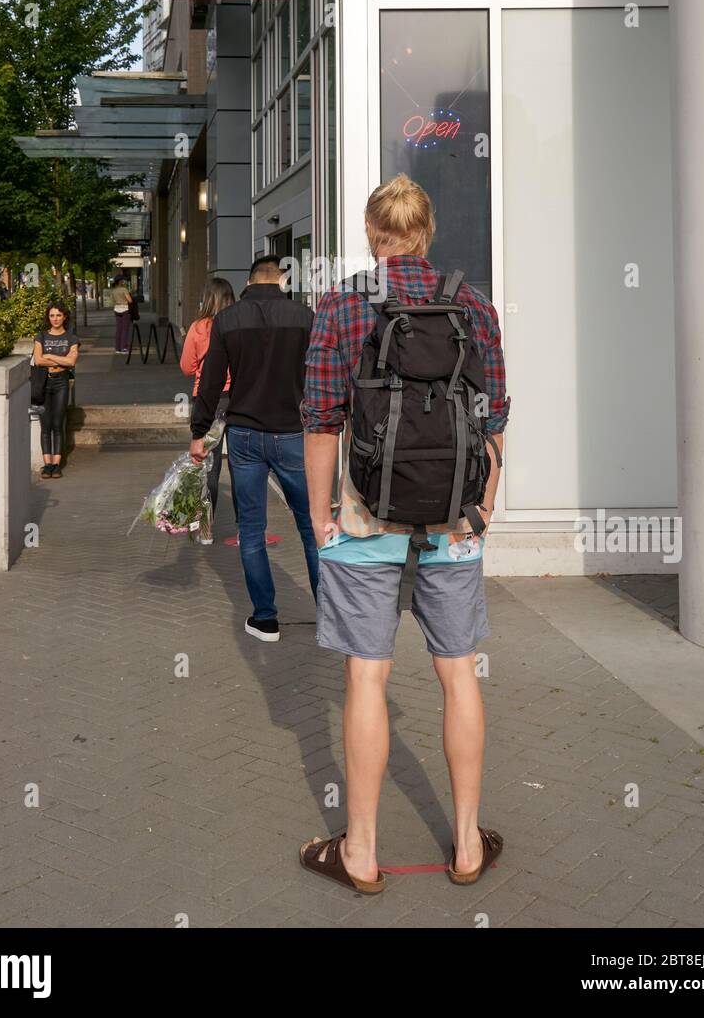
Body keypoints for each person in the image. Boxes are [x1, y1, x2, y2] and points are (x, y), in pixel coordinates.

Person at [299, 174, 510, 895]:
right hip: (453, 523)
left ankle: (360, 851)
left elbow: (322, 419)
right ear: (426, 231)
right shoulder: (472, 305)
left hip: (365, 521)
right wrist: (480, 508)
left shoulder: (344, 304)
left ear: (372, 232)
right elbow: (496, 419)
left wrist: (323, 517)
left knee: (367, 675)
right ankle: (466, 845)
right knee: (458, 673)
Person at [190, 255, 319, 642]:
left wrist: (200, 432)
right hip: (293, 432)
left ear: (248, 282)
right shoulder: (305, 316)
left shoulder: (228, 320)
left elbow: (210, 381)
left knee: (251, 529)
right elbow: (319, 373)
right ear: (280, 280)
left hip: (244, 433)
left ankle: (265, 618)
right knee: (312, 527)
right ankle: (330, 615)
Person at [180, 276, 236, 539]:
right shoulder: (237, 325)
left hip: (207, 400)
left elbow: (186, 367)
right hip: (236, 399)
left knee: (208, 466)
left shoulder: (198, 327)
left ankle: (205, 528)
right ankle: (246, 530)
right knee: (241, 465)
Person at [32, 303, 81, 480]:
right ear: (48, 318)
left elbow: (71, 362)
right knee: (45, 425)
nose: (55, 319)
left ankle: (57, 465)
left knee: (58, 424)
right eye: (52, 315)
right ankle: (48, 465)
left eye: (59, 315)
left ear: (64, 317)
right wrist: (61, 359)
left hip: (61, 383)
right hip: (44, 383)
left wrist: (50, 356)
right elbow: (38, 360)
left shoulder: (72, 338)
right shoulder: (41, 337)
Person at [111, 274, 133, 353]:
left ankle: (117, 348)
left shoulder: (114, 290)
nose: (123, 281)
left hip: (116, 309)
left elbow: (112, 301)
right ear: (120, 281)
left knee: (118, 329)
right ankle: (123, 348)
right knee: (124, 329)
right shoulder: (124, 289)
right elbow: (130, 300)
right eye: (122, 280)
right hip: (124, 309)